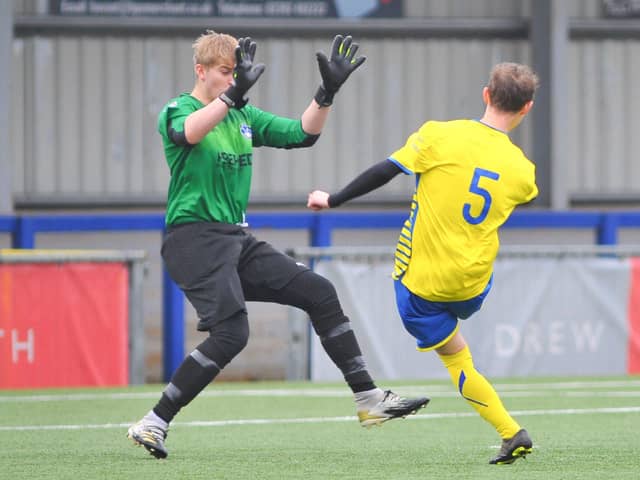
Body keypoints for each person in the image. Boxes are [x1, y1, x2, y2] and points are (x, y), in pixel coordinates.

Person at [127, 31, 429, 459]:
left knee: (318, 292)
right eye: (225, 72)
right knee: (232, 333)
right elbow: (188, 134)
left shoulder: (241, 116)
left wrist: (326, 93)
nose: (234, 78)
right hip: (193, 239)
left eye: (237, 72)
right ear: (201, 71)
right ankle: (153, 422)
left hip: (233, 236)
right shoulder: (181, 109)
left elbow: (303, 134)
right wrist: (232, 96)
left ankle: (368, 399)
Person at [307, 62, 539, 465]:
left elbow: (385, 170)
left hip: (423, 286)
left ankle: (509, 430)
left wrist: (334, 199)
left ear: (486, 94)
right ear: (527, 108)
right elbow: (524, 196)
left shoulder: (439, 135)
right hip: (473, 285)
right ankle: (510, 433)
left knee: (455, 358)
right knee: (460, 344)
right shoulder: (523, 171)